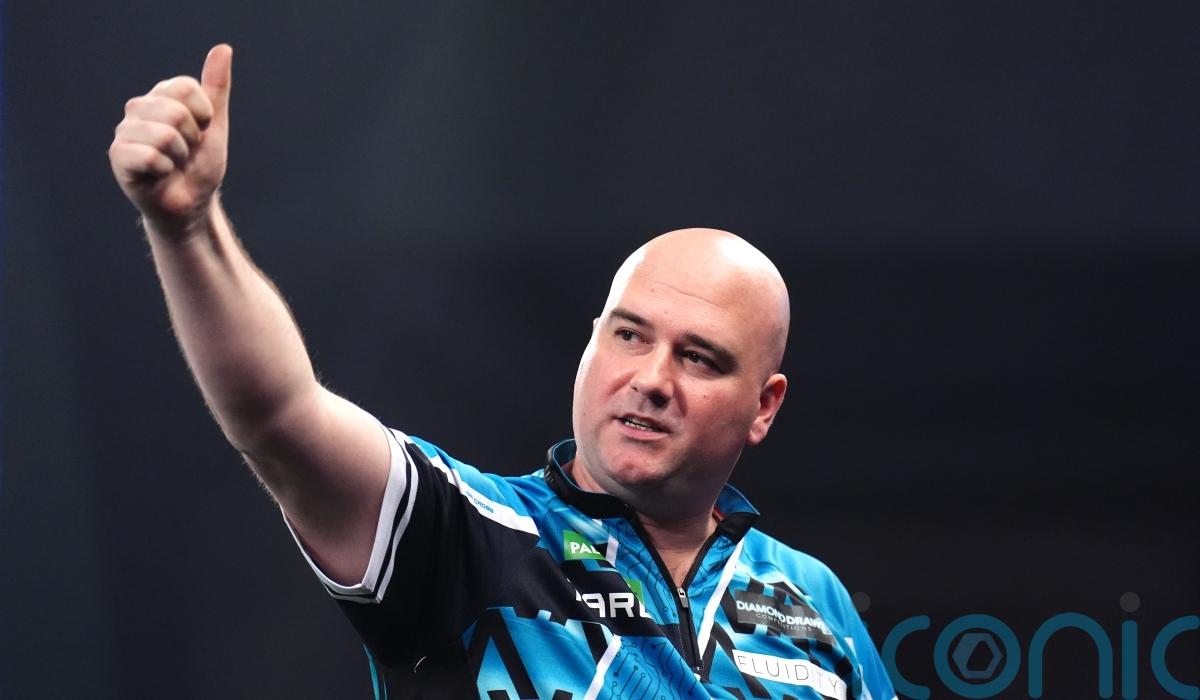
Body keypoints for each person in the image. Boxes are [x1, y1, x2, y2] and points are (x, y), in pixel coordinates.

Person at [109, 44, 898, 700]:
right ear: (591, 345)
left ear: (763, 407)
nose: (652, 378)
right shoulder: (469, 534)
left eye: (698, 358)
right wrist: (189, 228)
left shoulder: (814, 601)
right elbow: (278, 414)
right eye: (629, 336)